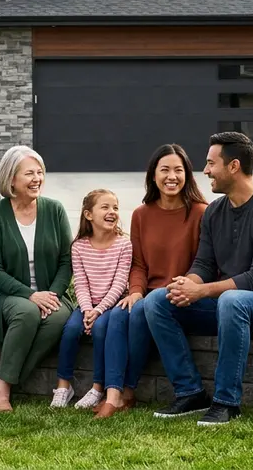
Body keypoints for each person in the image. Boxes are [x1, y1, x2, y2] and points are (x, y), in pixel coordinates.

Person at [144, 132, 253, 426]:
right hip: (227, 305)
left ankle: (226, 402)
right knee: (158, 301)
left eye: (212, 163)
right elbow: (205, 263)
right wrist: (187, 285)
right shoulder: (214, 211)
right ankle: (190, 393)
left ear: (234, 166)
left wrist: (202, 292)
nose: (206, 170)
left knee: (232, 301)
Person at [104, 144, 208, 418]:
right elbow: (138, 264)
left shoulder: (200, 212)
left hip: (183, 297)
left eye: (178, 170)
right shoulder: (142, 214)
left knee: (140, 310)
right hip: (150, 295)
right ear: (153, 175)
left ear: (187, 174)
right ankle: (110, 391)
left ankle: (127, 389)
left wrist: (181, 287)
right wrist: (136, 290)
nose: (171, 176)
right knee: (122, 312)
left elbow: (205, 264)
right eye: (165, 170)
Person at [0, 145, 73, 412]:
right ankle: (3, 392)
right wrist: (31, 295)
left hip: (50, 291)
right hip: (6, 294)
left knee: (59, 317)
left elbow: (66, 260)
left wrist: (51, 294)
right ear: (11, 180)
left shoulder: (55, 210)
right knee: (28, 312)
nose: (37, 178)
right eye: (29, 173)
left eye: (40, 172)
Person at [51, 189, 132, 414]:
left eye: (115, 207)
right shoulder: (78, 247)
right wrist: (87, 310)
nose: (112, 212)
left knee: (99, 331)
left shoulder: (124, 244)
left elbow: (119, 284)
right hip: (87, 305)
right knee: (70, 331)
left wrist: (98, 311)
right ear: (88, 214)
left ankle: (97, 388)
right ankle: (63, 386)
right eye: (105, 207)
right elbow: (81, 284)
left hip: (111, 304)